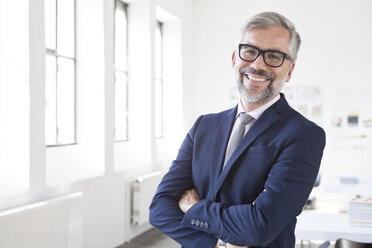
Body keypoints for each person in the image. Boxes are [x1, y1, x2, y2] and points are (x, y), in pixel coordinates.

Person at [149, 11, 326, 248]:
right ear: (235, 58)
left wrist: (193, 208)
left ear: (290, 70)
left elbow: (260, 226)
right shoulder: (204, 126)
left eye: (273, 56)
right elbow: (160, 207)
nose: (257, 64)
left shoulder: (304, 135)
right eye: (250, 51)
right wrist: (215, 245)